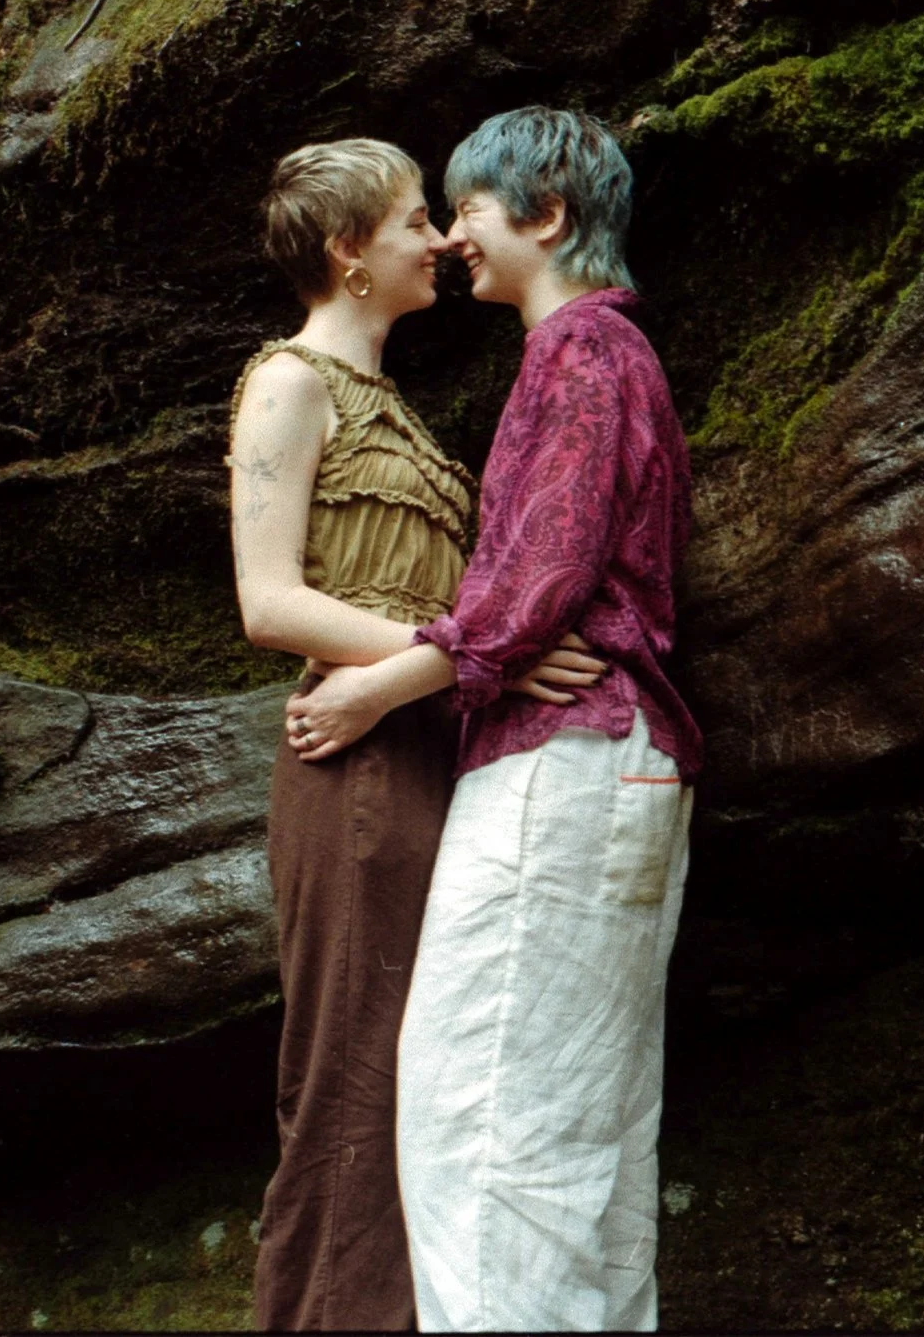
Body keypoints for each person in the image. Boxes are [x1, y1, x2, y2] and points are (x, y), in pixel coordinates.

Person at [280, 107, 701, 1332]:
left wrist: (379, 681)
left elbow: (533, 586)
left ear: (548, 217)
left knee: (484, 1141)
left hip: (561, 769)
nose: (454, 234)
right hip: (627, 766)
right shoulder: (618, 359)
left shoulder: (577, 353)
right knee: (589, 1155)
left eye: (466, 207)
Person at [227, 137, 608, 1332]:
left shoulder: (391, 405)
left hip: (433, 758)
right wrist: (460, 647)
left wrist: (462, 657)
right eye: (407, 221)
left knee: (428, 1087)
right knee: (350, 1085)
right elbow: (268, 602)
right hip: (356, 774)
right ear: (347, 254)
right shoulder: (288, 381)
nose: (440, 239)